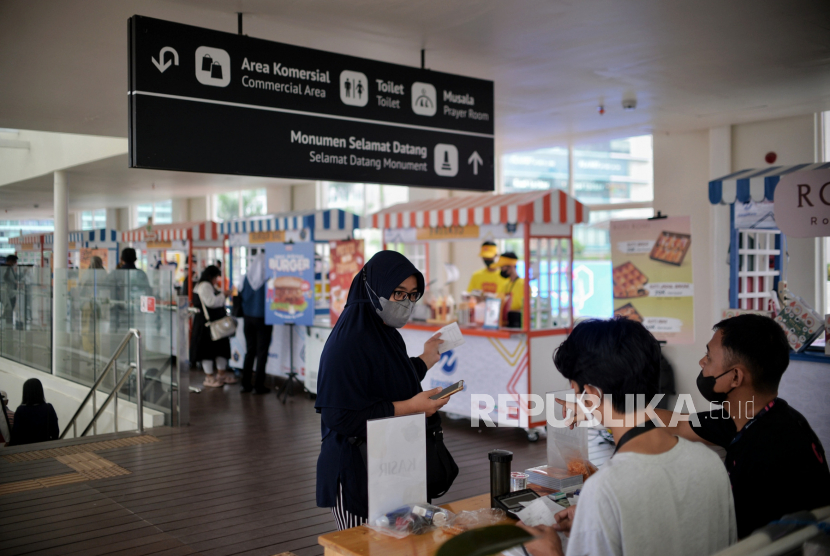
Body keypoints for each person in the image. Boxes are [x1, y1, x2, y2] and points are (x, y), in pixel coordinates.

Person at [521, 318, 736, 556]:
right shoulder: (710, 464)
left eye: (576, 390)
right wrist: (593, 521)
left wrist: (550, 552)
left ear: (591, 393)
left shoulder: (604, 488)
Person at [315, 250, 457, 530]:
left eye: (412, 294)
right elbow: (339, 417)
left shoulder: (384, 332)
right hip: (359, 469)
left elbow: (392, 379)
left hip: (395, 462)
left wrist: (426, 358)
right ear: (372, 288)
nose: (406, 302)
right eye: (398, 293)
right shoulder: (348, 343)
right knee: (364, 547)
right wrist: (412, 407)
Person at [655, 314, 830, 538]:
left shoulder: (770, 453)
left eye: (708, 357)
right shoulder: (756, 415)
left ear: (735, 377)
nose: (702, 362)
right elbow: (678, 424)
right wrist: (609, 410)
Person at [191, 265, 237, 388]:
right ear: (211, 276)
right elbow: (211, 302)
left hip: (212, 324)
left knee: (219, 350)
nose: (217, 280)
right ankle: (210, 377)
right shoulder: (205, 286)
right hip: (207, 325)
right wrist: (223, 295)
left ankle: (221, 375)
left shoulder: (205, 285)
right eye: (216, 277)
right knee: (208, 351)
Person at [239, 251, 271, 394]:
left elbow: (240, 294)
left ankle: (245, 384)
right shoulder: (268, 280)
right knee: (262, 353)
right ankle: (258, 385)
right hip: (263, 319)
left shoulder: (245, 278)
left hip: (247, 318)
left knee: (250, 351)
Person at [106, 248, 151, 332]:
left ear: (121, 259)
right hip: (137, 315)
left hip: (117, 315)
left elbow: (106, 290)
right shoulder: (141, 274)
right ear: (136, 259)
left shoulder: (114, 274)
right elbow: (148, 293)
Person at [8, 378, 60, 446]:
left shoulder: (21, 410)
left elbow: (16, 435)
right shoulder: (48, 408)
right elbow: (55, 431)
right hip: (46, 447)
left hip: (26, 449)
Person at [80, 256, 107, 355]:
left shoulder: (86, 274)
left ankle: (89, 348)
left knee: (87, 325)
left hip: (87, 303)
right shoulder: (104, 274)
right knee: (97, 326)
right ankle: (96, 348)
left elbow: (81, 289)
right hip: (98, 303)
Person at [496, 251, 524, 327]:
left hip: (518, 322)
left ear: (511, 266)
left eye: (502, 267)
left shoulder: (523, 284)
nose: (501, 270)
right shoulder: (505, 285)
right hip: (505, 322)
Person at [2, 254, 20, 326]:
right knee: (8, 309)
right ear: (10, 261)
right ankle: (6, 324)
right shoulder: (5, 268)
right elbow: (4, 278)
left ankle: (8, 324)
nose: (15, 263)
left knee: (10, 309)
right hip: (7, 292)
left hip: (12, 293)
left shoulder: (11, 269)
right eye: (14, 261)